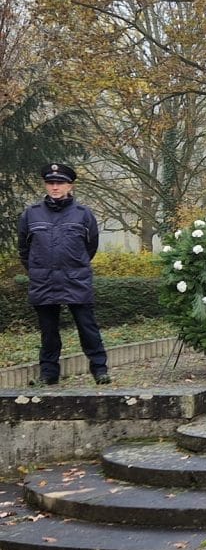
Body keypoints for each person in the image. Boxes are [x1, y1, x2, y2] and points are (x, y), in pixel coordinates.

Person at [19, 163, 110, 386]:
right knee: (48, 332)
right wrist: (39, 268)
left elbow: (91, 247)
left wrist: (74, 266)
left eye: (60, 183)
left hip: (76, 280)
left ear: (70, 185)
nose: (55, 187)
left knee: (87, 327)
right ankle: (48, 374)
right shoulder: (31, 214)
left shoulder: (83, 214)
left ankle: (100, 370)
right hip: (43, 281)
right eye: (51, 182)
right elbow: (24, 248)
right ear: (45, 185)